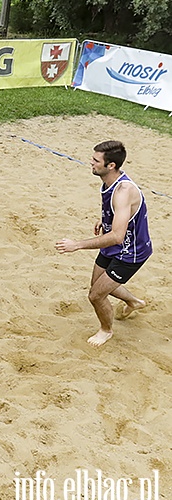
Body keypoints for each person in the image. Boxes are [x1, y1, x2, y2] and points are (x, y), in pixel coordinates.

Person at [55, 141, 152, 347]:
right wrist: (105, 219)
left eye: (96, 160)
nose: (91, 162)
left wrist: (78, 245)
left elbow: (117, 236)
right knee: (97, 286)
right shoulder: (110, 182)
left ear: (111, 166)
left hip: (130, 252)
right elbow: (120, 214)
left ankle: (106, 331)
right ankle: (134, 302)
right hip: (114, 245)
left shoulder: (123, 190)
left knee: (96, 295)